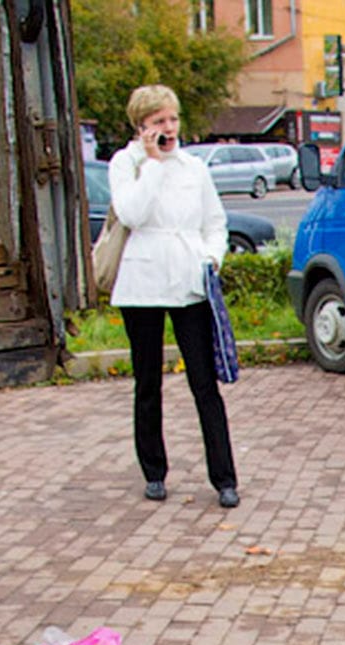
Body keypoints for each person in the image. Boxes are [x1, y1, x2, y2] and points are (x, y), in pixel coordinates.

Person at [109, 84, 240, 509]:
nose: (169, 129)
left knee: (204, 382)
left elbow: (215, 222)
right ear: (141, 126)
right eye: (159, 121)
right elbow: (131, 213)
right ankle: (153, 472)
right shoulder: (125, 164)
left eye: (173, 119)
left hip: (188, 280)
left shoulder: (193, 168)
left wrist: (211, 257)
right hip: (142, 281)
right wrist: (151, 165)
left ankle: (224, 477)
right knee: (147, 381)